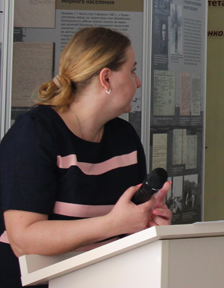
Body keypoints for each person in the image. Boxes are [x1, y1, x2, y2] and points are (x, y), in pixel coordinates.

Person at [0, 27, 171, 287]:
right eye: (132, 71)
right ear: (106, 78)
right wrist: (113, 224)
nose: (137, 82)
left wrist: (148, 222)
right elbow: (23, 240)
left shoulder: (124, 137)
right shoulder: (34, 134)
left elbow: (126, 228)